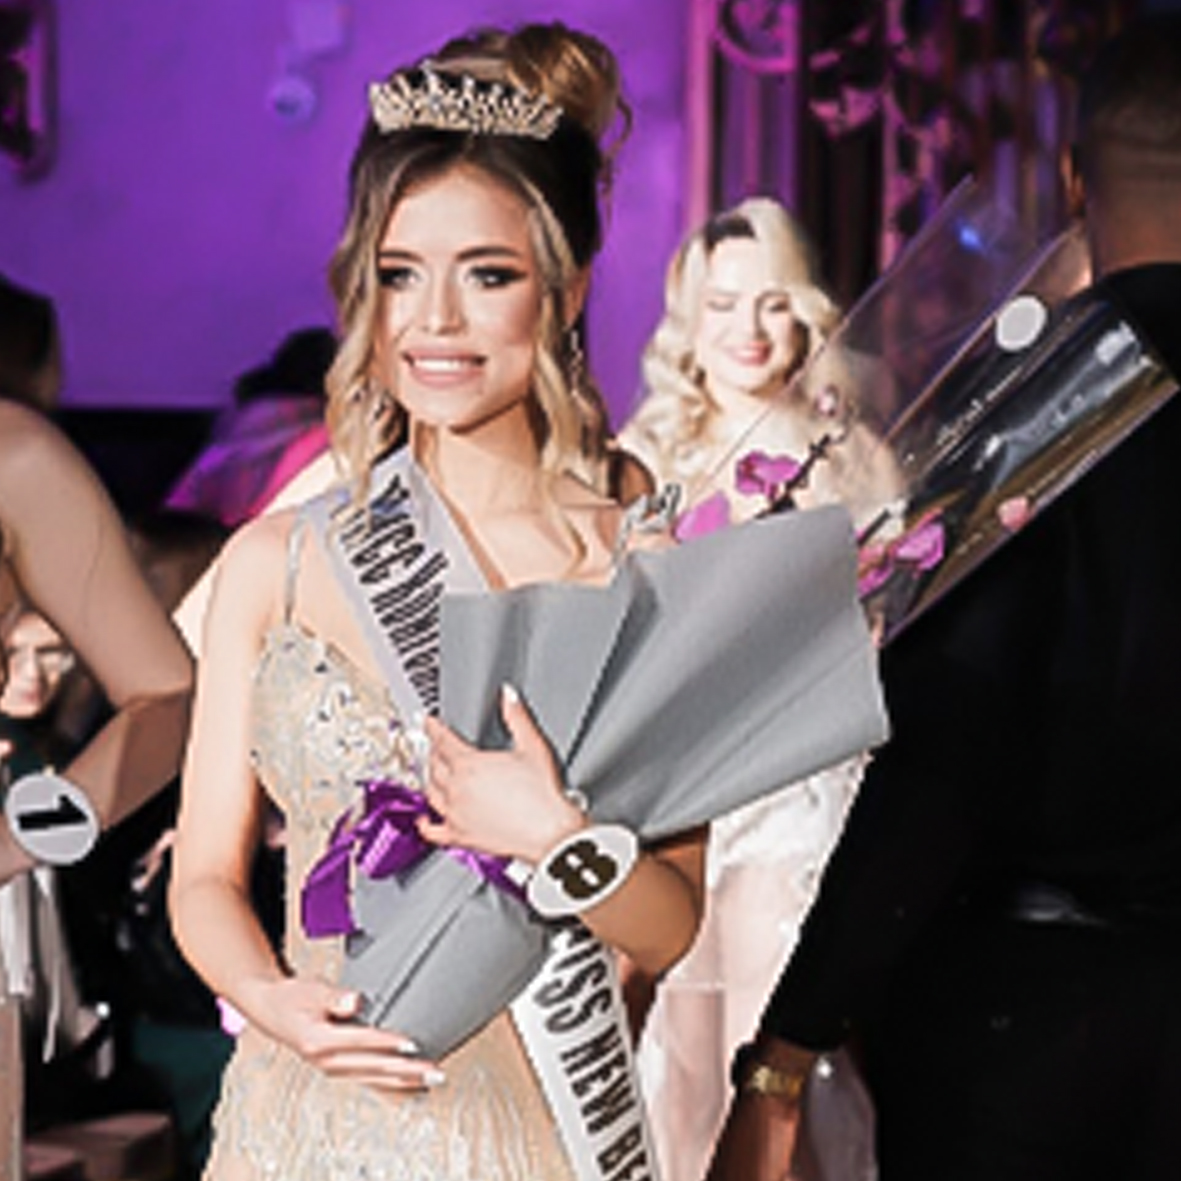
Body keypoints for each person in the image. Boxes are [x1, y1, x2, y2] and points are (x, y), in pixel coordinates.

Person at [169, 22, 707, 1181]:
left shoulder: (639, 568)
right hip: (297, 1128)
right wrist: (268, 995)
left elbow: (672, 924)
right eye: (400, 274)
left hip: (530, 1139)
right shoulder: (276, 561)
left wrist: (558, 839)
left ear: (565, 289)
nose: (435, 321)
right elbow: (204, 877)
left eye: (489, 275)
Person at [708, 13, 1181, 1181]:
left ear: (1071, 178)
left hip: (1029, 1030)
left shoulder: (1039, 408)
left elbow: (944, 752)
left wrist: (784, 1053)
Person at [618, 198, 894, 1181]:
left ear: (804, 314)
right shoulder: (650, 458)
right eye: (722, 303)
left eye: (771, 302)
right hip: (686, 792)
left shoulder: (855, 457)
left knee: (776, 1045)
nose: (747, 328)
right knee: (685, 1056)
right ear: (688, 323)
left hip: (805, 796)